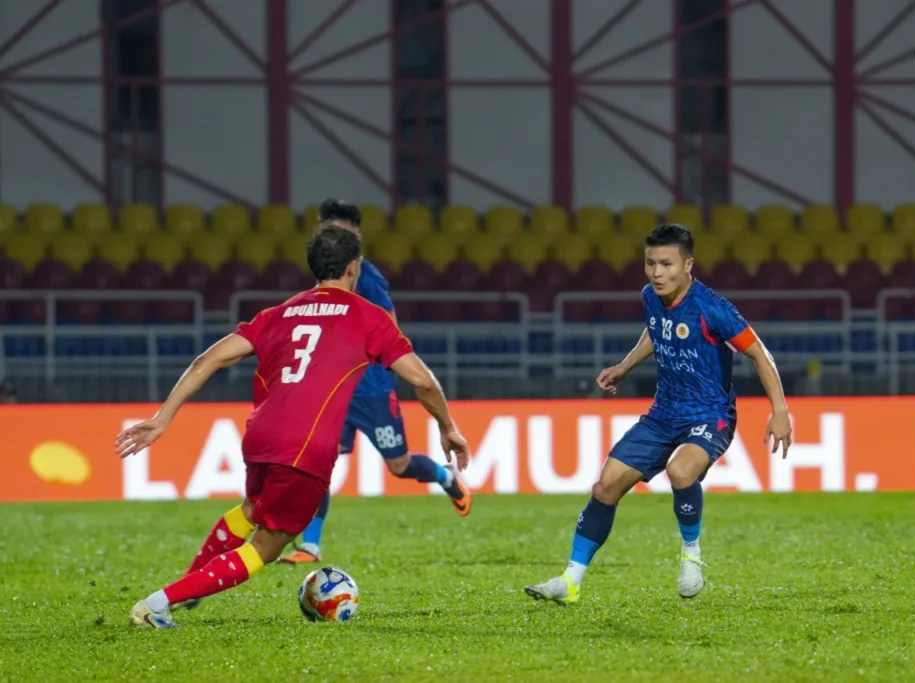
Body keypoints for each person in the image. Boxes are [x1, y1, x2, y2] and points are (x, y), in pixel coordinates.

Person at [119, 225, 470, 629]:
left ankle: (187, 587)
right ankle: (157, 604)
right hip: (306, 447)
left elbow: (207, 360)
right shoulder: (368, 317)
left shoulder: (279, 313)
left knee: (251, 509)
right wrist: (447, 426)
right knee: (266, 546)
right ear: (354, 268)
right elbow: (423, 380)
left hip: (261, 435)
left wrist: (162, 418)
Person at [524, 223, 792, 604]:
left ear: (688, 266)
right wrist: (624, 366)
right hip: (663, 413)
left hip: (709, 413)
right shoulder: (651, 296)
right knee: (606, 487)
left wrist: (779, 410)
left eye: (666, 264)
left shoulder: (712, 308)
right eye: (650, 263)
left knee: (680, 471)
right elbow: (656, 330)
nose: (656, 272)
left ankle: (691, 555)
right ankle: (570, 581)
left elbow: (758, 353)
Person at [280, 199, 471, 565]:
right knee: (320, 459)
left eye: (340, 230)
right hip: (335, 387)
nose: (333, 237)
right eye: (327, 230)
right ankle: (310, 545)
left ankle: (446, 478)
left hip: (372, 388)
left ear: (357, 234)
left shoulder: (367, 277)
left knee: (398, 466)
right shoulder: (326, 273)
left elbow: (390, 330)